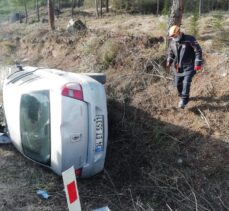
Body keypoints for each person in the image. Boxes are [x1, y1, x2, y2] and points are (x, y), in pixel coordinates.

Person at [166, 25, 202, 108]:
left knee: (186, 82)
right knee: (178, 83)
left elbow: (198, 51)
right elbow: (171, 53)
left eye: (174, 35)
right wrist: (169, 61)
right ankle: (182, 95)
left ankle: (184, 100)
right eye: (172, 36)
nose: (173, 37)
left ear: (179, 32)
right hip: (178, 67)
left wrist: (197, 63)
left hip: (190, 65)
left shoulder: (189, 39)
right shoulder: (172, 42)